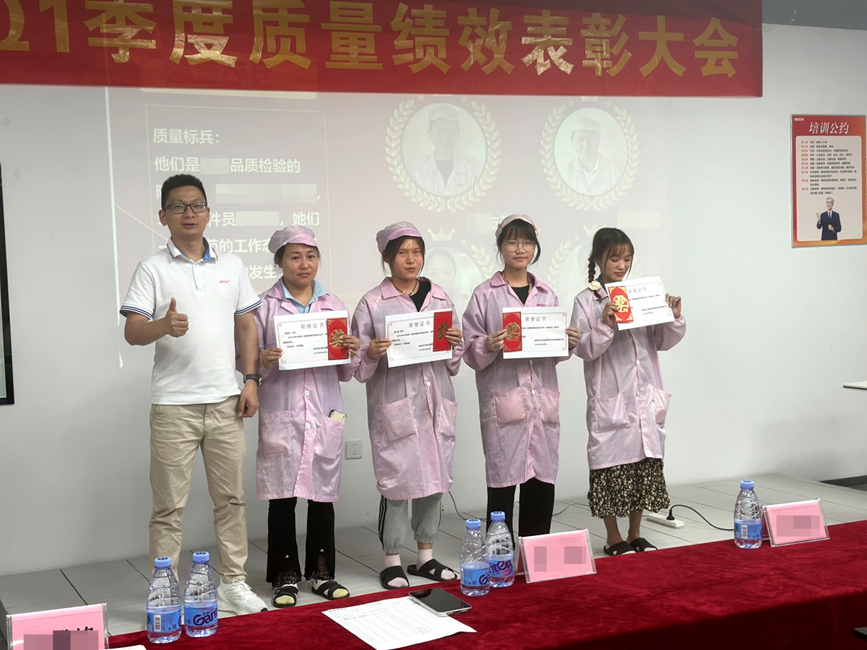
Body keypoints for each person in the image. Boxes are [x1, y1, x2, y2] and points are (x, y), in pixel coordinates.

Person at [120, 174, 268, 614]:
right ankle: (165, 590)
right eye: (179, 206)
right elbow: (132, 332)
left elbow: (247, 327)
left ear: (208, 213)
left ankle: (233, 584)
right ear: (162, 215)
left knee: (231, 501)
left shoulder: (232, 265)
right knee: (168, 507)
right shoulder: (151, 268)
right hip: (173, 406)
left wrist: (251, 379)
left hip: (226, 401)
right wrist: (163, 326)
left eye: (197, 205)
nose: (189, 213)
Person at [351, 221, 463, 590]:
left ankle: (426, 556)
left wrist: (455, 342)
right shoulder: (372, 303)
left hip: (435, 402)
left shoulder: (441, 297)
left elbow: (454, 360)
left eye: (417, 252)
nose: (411, 259)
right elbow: (357, 367)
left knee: (434, 480)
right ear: (387, 258)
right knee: (396, 484)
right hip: (395, 404)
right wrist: (371, 351)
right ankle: (392, 560)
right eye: (402, 253)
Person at [254, 226, 360, 607]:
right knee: (282, 498)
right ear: (280, 261)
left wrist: (351, 350)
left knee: (322, 496)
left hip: (323, 412)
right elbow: (246, 362)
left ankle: (322, 573)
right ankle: (284, 576)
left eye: (311, 256)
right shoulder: (263, 306)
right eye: (295, 257)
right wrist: (263, 360)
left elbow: (346, 372)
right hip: (283, 412)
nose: (304, 264)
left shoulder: (333, 305)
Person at [462, 215, 581, 543]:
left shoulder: (546, 293)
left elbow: (553, 352)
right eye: (512, 242)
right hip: (505, 402)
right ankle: (499, 554)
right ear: (500, 247)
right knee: (502, 483)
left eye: (527, 242)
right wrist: (487, 344)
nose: (520, 249)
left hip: (541, 401)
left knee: (541, 481)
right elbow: (469, 350)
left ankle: (536, 553)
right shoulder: (485, 294)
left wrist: (567, 343)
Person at [571, 227, 685, 556]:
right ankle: (613, 537)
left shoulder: (641, 294)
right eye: (615, 259)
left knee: (642, 467)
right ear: (597, 260)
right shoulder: (586, 301)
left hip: (644, 396)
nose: (622, 265)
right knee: (609, 470)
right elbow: (584, 349)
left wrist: (673, 317)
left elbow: (662, 341)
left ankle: (636, 534)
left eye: (627, 259)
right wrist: (605, 324)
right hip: (612, 397)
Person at [411, 104, 479, 196]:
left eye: (450, 130)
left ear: (457, 132)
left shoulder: (469, 170)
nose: (445, 136)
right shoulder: (417, 170)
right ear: (430, 132)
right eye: (439, 130)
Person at [564, 117, 622, 196]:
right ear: (572, 141)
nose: (586, 146)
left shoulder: (615, 171)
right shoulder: (565, 172)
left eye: (592, 139)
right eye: (580, 140)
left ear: (599, 140)